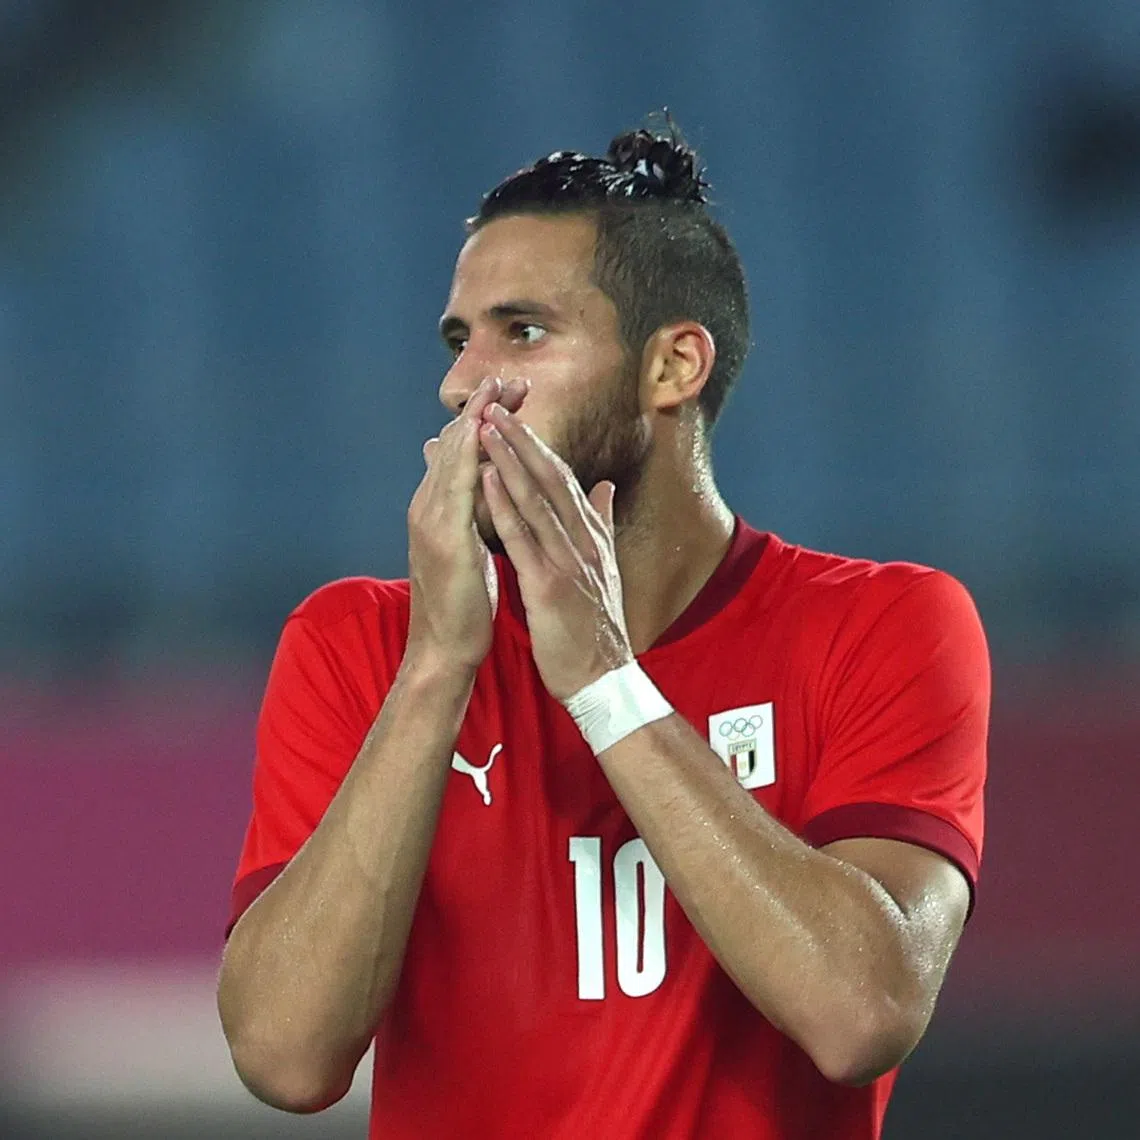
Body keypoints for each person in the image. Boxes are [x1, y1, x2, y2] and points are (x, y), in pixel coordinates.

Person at [217, 121, 989, 1140]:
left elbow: (864, 1015)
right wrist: (436, 672)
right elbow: (282, 1056)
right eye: (459, 341)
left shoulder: (878, 625)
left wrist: (606, 683)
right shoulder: (358, 644)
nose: (462, 387)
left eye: (522, 333)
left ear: (672, 366)